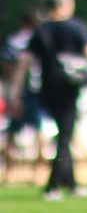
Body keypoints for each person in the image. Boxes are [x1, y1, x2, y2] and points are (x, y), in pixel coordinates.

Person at [17, 0, 87, 201]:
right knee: (65, 136)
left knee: (64, 133)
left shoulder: (40, 30)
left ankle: (72, 183)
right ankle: (52, 186)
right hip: (69, 87)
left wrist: (16, 92)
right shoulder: (76, 28)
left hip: (47, 88)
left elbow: (24, 63)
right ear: (66, 3)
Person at [2, 10, 46, 183]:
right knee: (39, 132)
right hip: (36, 90)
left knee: (12, 133)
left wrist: (11, 92)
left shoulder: (15, 40)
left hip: (18, 91)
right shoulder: (41, 38)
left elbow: (8, 67)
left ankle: (9, 174)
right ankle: (38, 174)